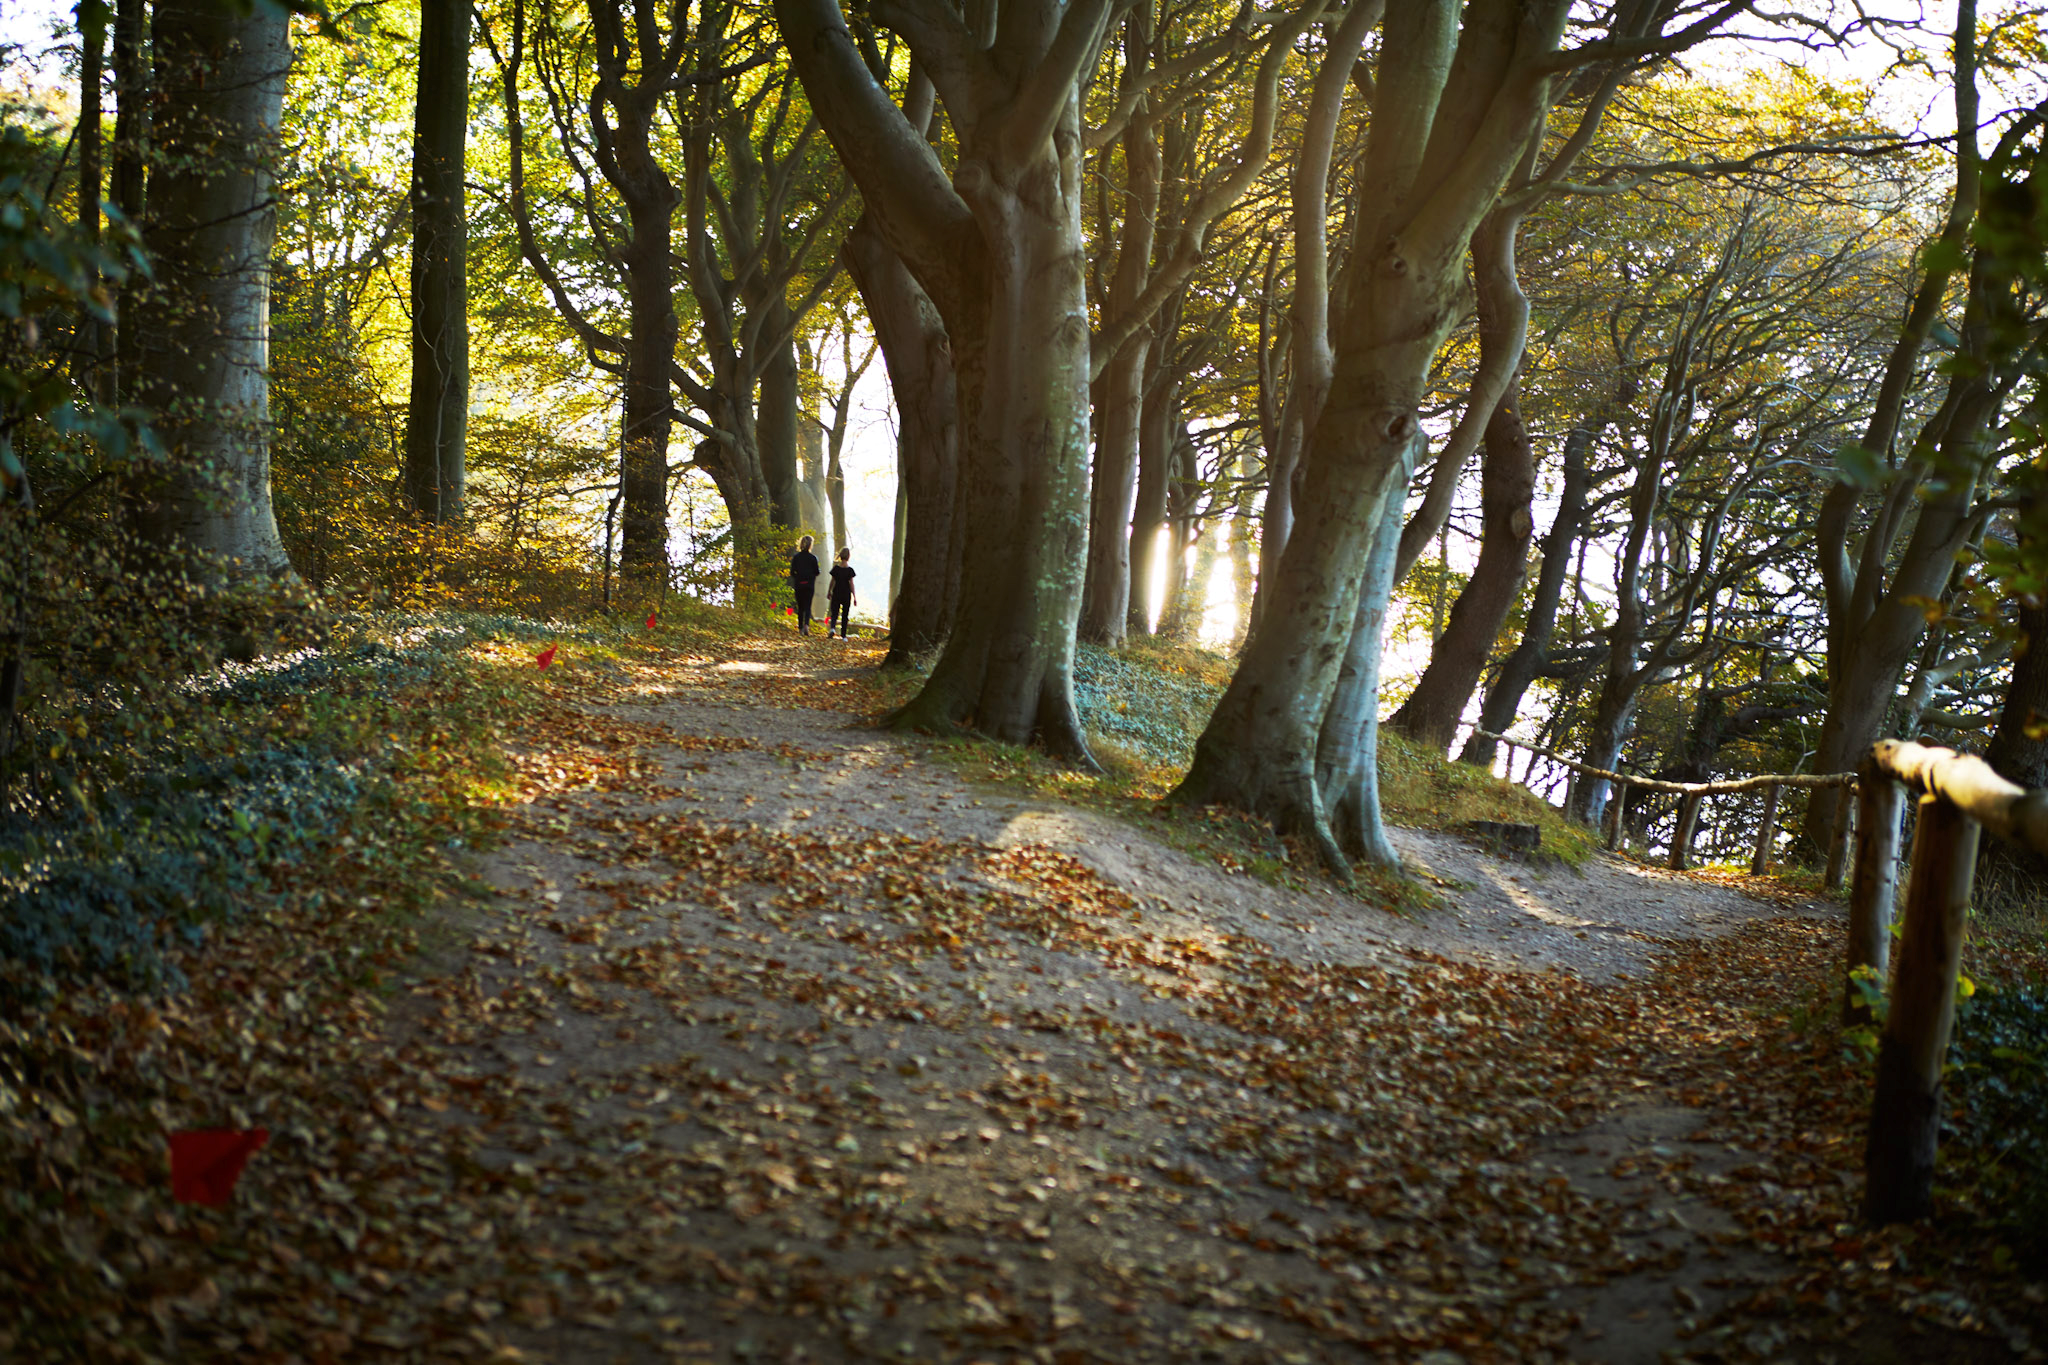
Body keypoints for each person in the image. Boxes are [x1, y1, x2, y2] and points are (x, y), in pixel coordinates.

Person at [788, 535, 821, 634]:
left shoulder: (796, 557)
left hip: (799, 584)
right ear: (810, 545)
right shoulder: (813, 558)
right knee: (807, 606)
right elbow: (817, 572)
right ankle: (806, 625)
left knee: (800, 607)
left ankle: (800, 628)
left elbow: (792, 572)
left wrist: (797, 577)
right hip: (809, 584)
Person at [826, 547, 856, 639]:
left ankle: (832, 628)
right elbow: (851, 584)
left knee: (834, 612)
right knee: (845, 615)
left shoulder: (836, 569)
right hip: (846, 594)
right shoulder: (850, 570)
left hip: (836, 592)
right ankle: (843, 636)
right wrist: (854, 596)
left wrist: (829, 591)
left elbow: (832, 581)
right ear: (848, 556)